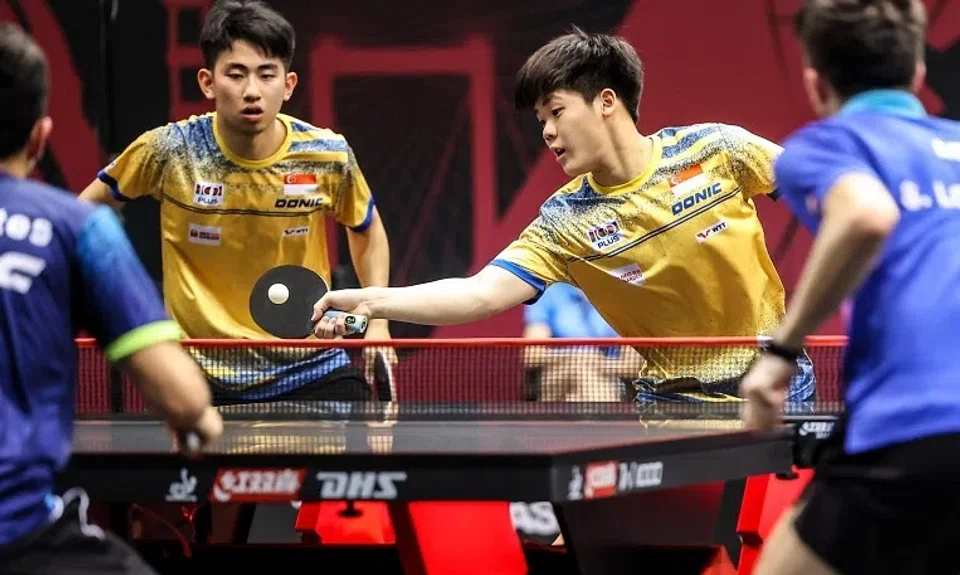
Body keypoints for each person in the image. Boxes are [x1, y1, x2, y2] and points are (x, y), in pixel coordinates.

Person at [313, 27, 815, 403]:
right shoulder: (565, 220)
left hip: (778, 382)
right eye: (540, 121)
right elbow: (480, 293)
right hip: (674, 402)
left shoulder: (716, 149)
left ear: (606, 102)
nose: (547, 132)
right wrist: (368, 302)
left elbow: (825, 195)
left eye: (556, 112)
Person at [78, 0, 395, 405]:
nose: (251, 91)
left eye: (267, 75)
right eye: (236, 74)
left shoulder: (326, 154)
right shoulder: (170, 150)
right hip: (196, 370)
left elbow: (366, 229)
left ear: (289, 84)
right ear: (208, 83)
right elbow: (82, 216)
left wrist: (378, 323)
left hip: (307, 361)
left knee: (361, 451)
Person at [739, 1, 960, 574]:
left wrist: (781, 353)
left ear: (816, 84)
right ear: (916, 74)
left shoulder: (825, 145)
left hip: (913, 431)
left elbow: (865, 213)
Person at [0, 23, 223, 574]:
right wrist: (198, 421)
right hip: (18, 532)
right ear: (39, 138)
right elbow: (185, 401)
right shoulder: (74, 228)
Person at [522, 283, 643, 401]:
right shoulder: (550, 293)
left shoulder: (620, 295)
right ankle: (601, 417)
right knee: (578, 370)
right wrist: (578, 357)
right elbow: (532, 355)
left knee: (576, 391)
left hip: (609, 378)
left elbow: (631, 365)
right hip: (558, 376)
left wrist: (598, 363)